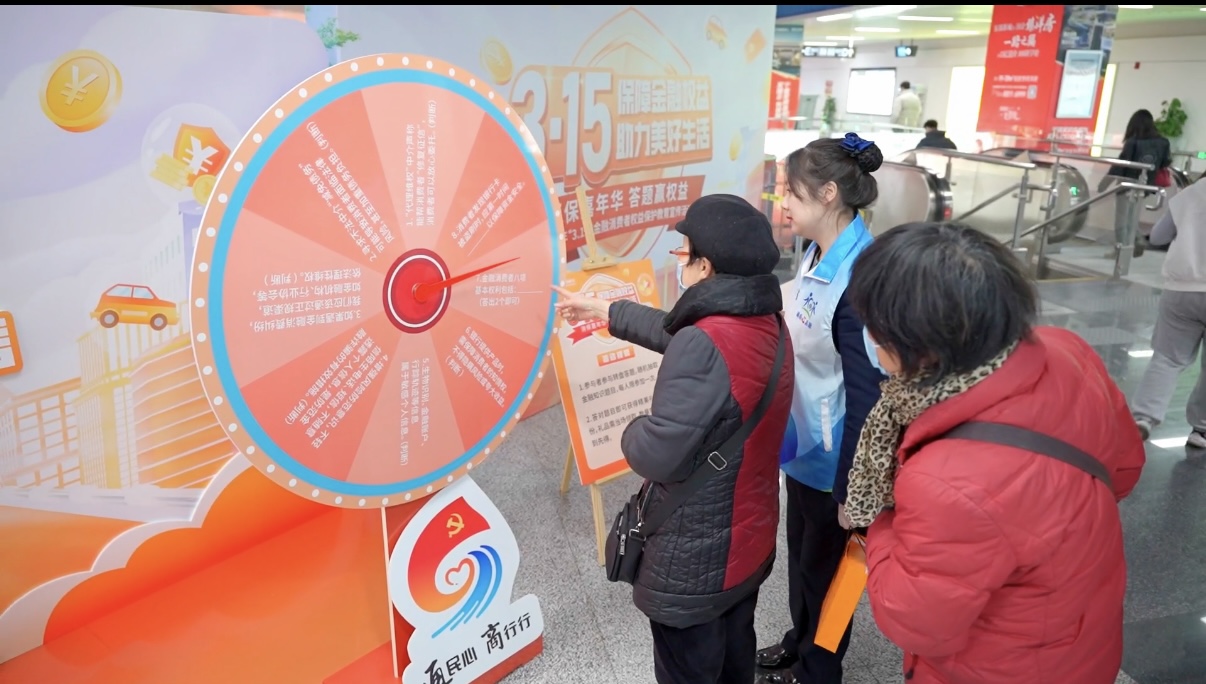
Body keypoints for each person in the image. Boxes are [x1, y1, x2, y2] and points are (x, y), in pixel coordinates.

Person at [841, 221, 1146, 683]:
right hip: (1080, 630)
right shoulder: (1067, 351)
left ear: (923, 348)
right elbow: (1124, 470)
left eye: (876, 328)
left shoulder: (945, 481)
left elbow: (914, 621)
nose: (871, 338)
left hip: (997, 665)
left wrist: (881, 522)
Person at [553, 194, 793, 684]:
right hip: (748, 538)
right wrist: (604, 309)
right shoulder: (763, 320)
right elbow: (678, 332)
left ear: (706, 266)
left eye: (684, 253)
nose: (679, 262)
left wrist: (630, 428)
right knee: (735, 655)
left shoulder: (705, 342)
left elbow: (657, 454)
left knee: (688, 668)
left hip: (696, 560)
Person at [755, 133, 886, 684]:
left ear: (829, 193)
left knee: (827, 573)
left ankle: (818, 668)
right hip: (804, 441)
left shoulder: (860, 277)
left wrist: (852, 489)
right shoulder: (816, 251)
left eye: (793, 192)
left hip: (836, 461)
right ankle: (799, 641)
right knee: (803, 561)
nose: (783, 203)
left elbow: (868, 396)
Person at [1132, 173, 1206, 446]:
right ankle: (1201, 430)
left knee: (1167, 358)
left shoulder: (1190, 194)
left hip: (1182, 289)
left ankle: (1144, 418)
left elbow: (1158, 236)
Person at [1098, 108, 1172, 256]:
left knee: (1121, 220)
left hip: (1127, 185)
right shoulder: (1163, 142)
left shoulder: (1133, 142)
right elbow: (1165, 162)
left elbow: (1120, 165)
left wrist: (1104, 184)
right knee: (1132, 217)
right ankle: (1136, 239)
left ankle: (1120, 251)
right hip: (1146, 186)